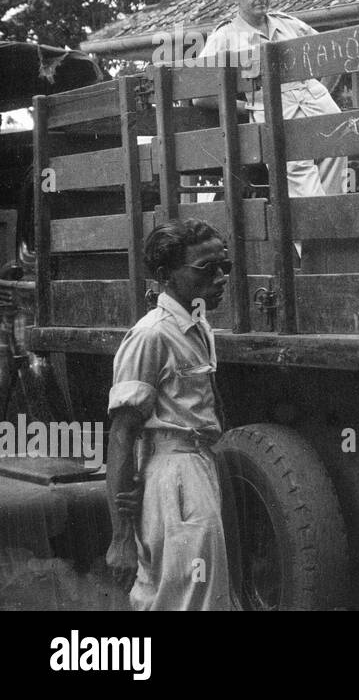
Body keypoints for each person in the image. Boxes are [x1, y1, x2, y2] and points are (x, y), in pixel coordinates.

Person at [105, 218, 237, 611]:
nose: (220, 278)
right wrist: (120, 538)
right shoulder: (152, 336)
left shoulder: (197, 327)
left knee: (200, 595)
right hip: (174, 477)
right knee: (179, 597)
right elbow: (121, 436)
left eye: (224, 267)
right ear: (165, 276)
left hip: (198, 468)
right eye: (206, 269)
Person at [197, 0, 347, 198]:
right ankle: (320, 232)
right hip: (275, 115)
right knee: (304, 188)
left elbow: (332, 54)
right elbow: (200, 94)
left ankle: (331, 232)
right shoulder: (225, 36)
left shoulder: (289, 25)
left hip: (319, 106)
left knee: (336, 170)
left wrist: (322, 90)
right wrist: (251, 107)